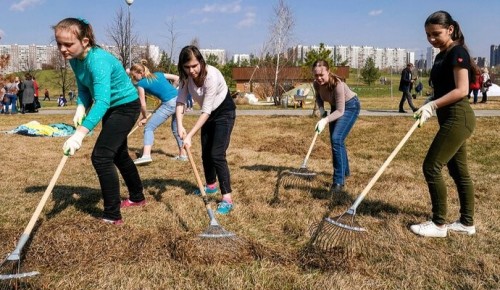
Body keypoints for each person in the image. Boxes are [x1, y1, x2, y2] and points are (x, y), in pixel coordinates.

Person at [53, 17, 145, 225]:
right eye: (59, 43)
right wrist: (79, 106)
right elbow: (85, 88)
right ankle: (137, 197)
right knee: (119, 154)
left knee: (102, 156)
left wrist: (79, 135)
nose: (62, 49)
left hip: (125, 106)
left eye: (68, 44)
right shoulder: (76, 60)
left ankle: (112, 215)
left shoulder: (98, 61)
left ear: (85, 42)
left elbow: (102, 101)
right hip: (112, 107)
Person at [411, 11, 476, 238]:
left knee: (431, 166)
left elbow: (462, 90)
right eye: (428, 35)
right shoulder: (440, 56)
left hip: (459, 117)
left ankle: (438, 224)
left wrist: (433, 106)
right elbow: (444, 89)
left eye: (436, 34)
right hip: (448, 117)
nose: (431, 39)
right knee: (458, 171)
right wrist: (430, 100)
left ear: (450, 30)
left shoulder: (457, 52)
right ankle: (467, 223)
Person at [175, 45, 236, 215]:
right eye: (187, 67)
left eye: (194, 66)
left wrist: (190, 135)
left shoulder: (212, 76)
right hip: (208, 113)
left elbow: (207, 111)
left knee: (217, 154)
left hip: (224, 112)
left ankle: (227, 199)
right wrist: (180, 125)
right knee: (205, 153)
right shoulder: (186, 78)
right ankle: (210, 186)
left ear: (200, 62)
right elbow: (180, 102)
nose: (192, 70)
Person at [312, 59, 361, 194]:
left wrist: (325, 120)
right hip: (336, 107)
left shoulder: (338, 85)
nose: (319, 78)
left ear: (328, 72)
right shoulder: (316, 84)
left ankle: (338, 181)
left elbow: (340, 111)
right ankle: (345, 172)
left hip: (350, 106)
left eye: (322, 74)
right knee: (337, 140)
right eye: (316, 75)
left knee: (336, 138)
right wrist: (321, 109)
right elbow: (318, 96)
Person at [129, 60, 187, 165]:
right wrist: (171, 89)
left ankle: (146, 155)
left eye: (134, 76)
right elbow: (177, 78)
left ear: (140, 73)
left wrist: (144, 117)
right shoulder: (158, 74)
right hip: (180, 100)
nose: (133, 78)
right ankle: (183, 155)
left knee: (149, 128)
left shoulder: (141, 84)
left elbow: (143, 104)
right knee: (176, 128)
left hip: (170, 104)